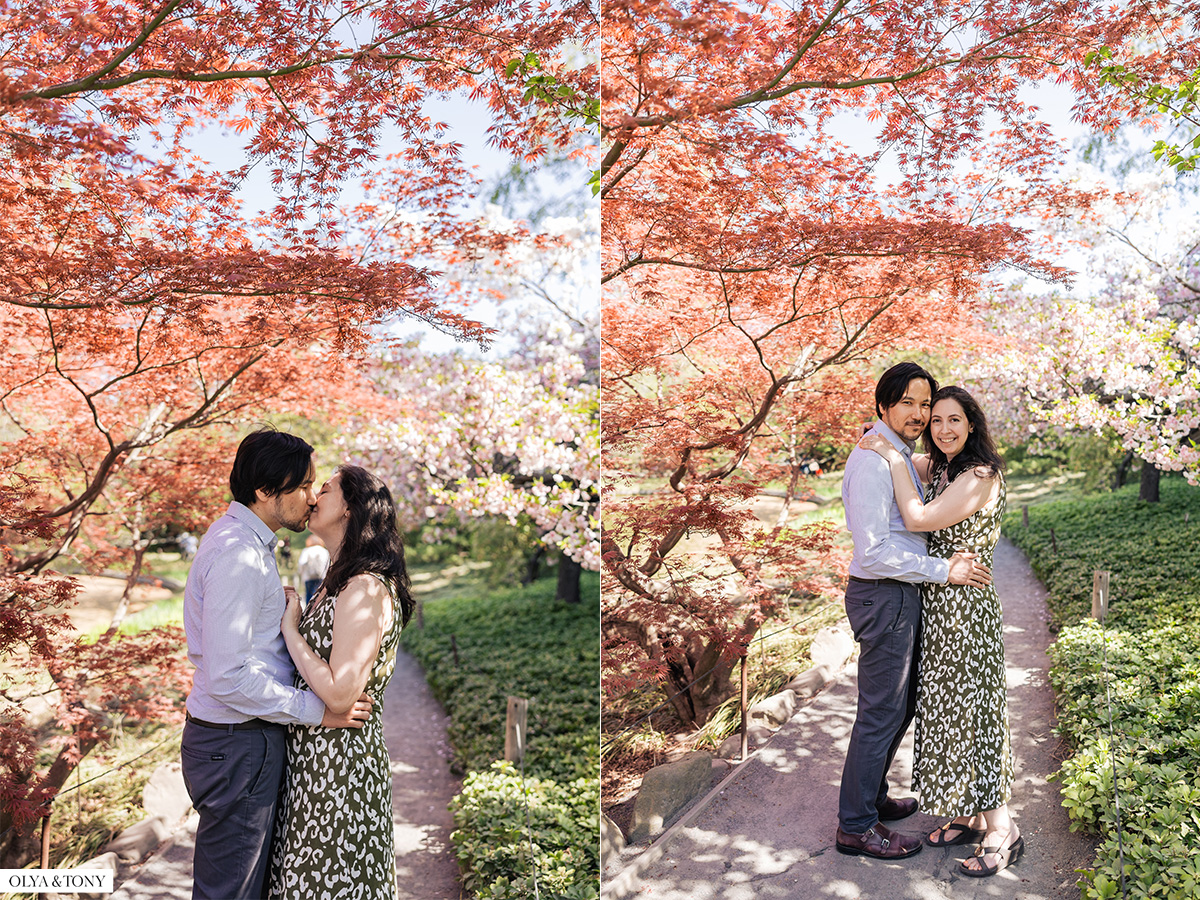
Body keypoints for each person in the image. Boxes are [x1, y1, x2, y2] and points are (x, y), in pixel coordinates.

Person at [181, 429, 373, 900]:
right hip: (238, 744)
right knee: (231, 891)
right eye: (304, 486)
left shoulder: (245, 544)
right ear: (267, 491)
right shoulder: (239, 556)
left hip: (238, 742)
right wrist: (318, 711)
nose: (312, 499)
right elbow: (229, 676)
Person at [859, 384, 1022, 877]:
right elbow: (906, 461)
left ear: (972, 423)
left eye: (954, 420)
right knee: (945, 710)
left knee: (972, 712)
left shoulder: (979, 474)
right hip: (938, 603)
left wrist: (887, 454)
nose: (944, 429)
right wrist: (883, 439)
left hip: (966, 608)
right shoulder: (941, 466)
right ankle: (968, 815)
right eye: (936, 421)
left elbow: (919, 515)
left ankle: (1002, 827)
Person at [835, 362, 993, 861]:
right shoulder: (872, 462)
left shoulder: (899, 454)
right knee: (881, 711)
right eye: (908, 402)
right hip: (883, 591)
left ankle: (872, 798)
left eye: (925, 404)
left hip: (900, 593)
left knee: (897, 707)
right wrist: (942, 569)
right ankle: (856, 826)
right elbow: (873, 551)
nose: (921, 414)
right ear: (883, 405)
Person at [269, 465, 415, 900]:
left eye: (325, 489)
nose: (313, 496)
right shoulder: (338, 581)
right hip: (313, 762)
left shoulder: (365, 588)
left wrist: (291, 630)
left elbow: (339, 692)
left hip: (339, 767)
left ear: (350, 508)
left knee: (326, 885)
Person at [297, 534, 330, 603]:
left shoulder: (306, 551)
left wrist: (301, 573)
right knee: (320, 596)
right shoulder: (324, 551)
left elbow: (301, 563)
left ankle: (309, 612)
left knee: (309, 597)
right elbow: (328, 565)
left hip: (308, 577)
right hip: (321, 577)